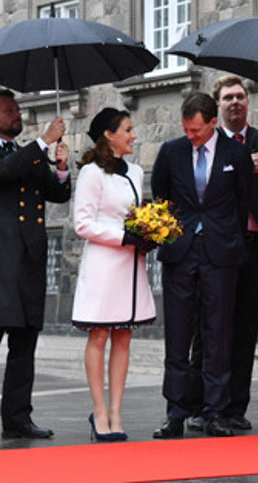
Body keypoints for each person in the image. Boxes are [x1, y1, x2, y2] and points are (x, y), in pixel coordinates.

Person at [150, 92, 252, 439]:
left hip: (221, 253)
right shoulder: (171, 151)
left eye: (196, 129)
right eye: (186, 129)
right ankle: (176, 412)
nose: (191, 135)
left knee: (218, 334)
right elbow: (161, 196)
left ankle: (215, 412)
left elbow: (242, 202)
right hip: (180, 252)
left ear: (213, 122)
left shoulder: (235, 153)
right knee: (177, 335)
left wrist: (227, 239)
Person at [72, 108, 156, 442]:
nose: (133, 135)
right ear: (109, 134)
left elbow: (132, 213)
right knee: (100, 336)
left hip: (131, 266)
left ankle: (117, 412)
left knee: (124, 336)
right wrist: (124, 237)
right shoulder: (91, 173)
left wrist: (148, 232)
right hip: (105, 265)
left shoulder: (135, 171)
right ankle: (100, 411)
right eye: (128, 129)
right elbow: (83, 223)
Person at [211, 74, 258, 430]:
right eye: (228, 97)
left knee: (245, 330)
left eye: (240, 96)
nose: (235, 102)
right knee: (215, 329)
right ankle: (208, 404)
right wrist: (245, 165)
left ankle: (236, 407)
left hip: (257, 247)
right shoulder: (210, 143)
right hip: (222, 246)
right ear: (218, 105)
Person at [0, 89, 70, 440]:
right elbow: (5, 173)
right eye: (9, 111)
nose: (17, 115)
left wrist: (59, 166)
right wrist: (43, 142)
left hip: (28, 262)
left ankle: (18, 417)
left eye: (16, 109)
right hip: (1, 264)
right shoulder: (24, 153)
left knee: (24, 346)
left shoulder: (29, 153)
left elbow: (57, 193)